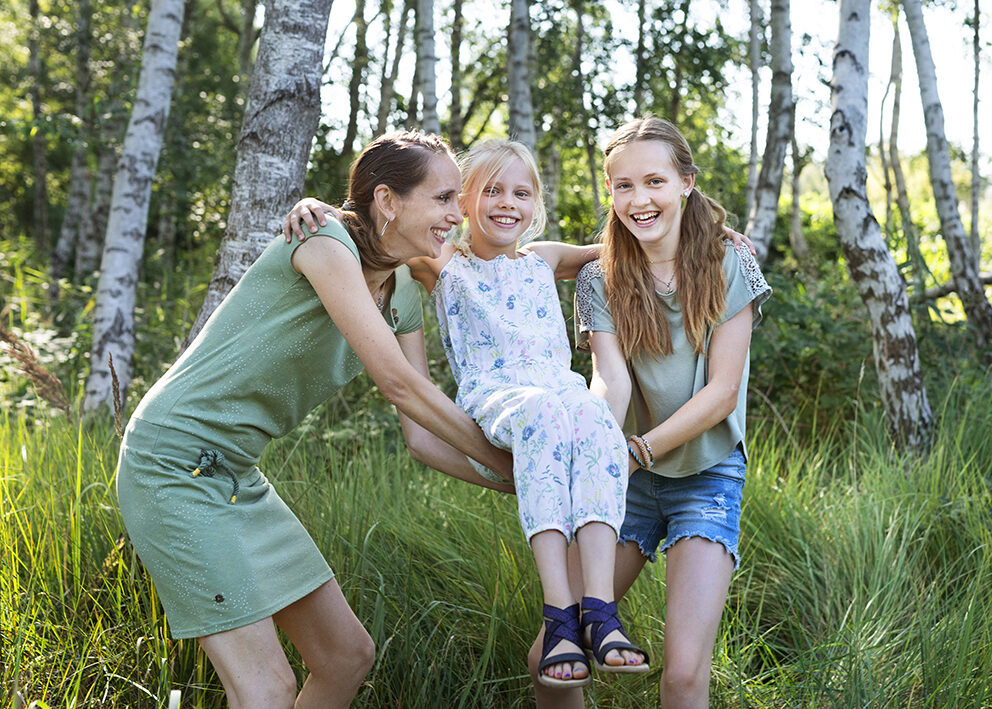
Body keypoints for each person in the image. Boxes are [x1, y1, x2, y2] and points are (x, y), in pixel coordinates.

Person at [115, 130, 514, 709]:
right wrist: (506, 457)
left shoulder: (403, 290)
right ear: (387, 201)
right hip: (172, 463)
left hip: (236, 475)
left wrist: (515, 481)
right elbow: (402, 388)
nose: (459, 214)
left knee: (346, 656)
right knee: (266, 689)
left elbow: (423, 438)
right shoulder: (324, 242)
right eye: (445, 198)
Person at [287, 139, 649, 688]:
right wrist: (315, 207)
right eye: (491, 191)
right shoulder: (442, 262)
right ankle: (559, 616)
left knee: (600, 420)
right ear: (462, 203)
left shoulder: (545, 259)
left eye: (521, 193)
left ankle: (598, 611)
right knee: (549, 417)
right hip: (501, 398)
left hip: (560, 393)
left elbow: (631, 246)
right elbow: (374, 230)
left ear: (536, 204)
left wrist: (708, 233)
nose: (508, 203)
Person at [528, 116, 771, 708]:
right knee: (547, 659)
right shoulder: (599, 278)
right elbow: (609, 382)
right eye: (623, 186)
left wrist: (636, 451)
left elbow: (720, 395)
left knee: (684, 675)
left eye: (655, 182)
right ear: (610, 193)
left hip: (705, 475)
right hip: (625, 480)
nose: (640, 199)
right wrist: (598, 450)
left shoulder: (730, 265)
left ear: (687, 182)